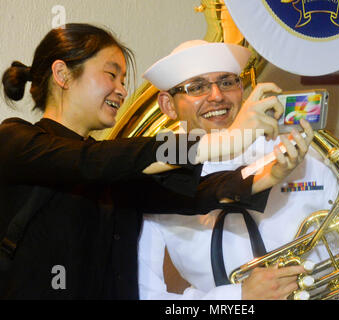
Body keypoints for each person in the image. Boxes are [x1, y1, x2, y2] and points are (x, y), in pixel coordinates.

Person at [0, 25, 285, 300]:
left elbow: (196, 195)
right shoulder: (14, 139)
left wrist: (270, 171)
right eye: (111, 75)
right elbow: (90, 162)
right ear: (62, 74)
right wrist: (223, 140)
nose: (122, 90)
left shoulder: (114, 166)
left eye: (123, 81)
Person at [138, 40, 339, 300]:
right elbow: (145, 295)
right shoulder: (154, 174)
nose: (216, 95)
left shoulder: (301, 148)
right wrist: (236, 299)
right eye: (197, 87)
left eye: (227, 82)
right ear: (168, 105)